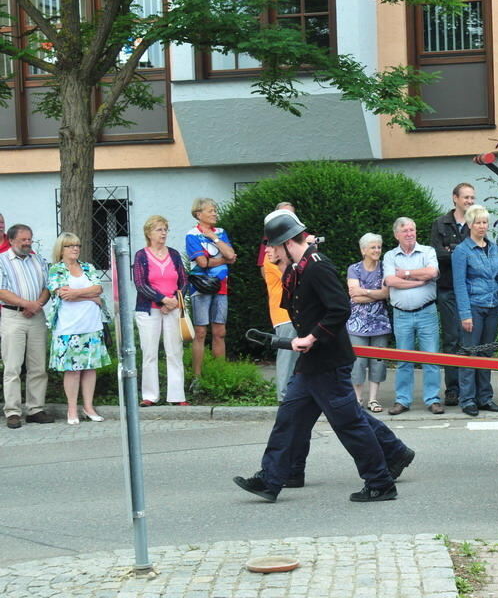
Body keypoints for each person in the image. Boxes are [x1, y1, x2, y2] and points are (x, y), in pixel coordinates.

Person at [234, 211, 414, 503]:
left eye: (273, 246)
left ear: (287, 243)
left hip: (329, 361)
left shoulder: (317, 266)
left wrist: (312, 337)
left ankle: (380, 482)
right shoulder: (297, 268)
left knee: (349, 423)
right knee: (289, 418)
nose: (269, 251)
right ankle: (271, 478)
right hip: (312, 362)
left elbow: (340, 308)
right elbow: (300, 309)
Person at [46, 232, 112, 424]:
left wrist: (78, 293)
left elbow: (98, 289)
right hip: (69, 326)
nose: (75, 249)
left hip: (91, 324)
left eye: (77, 245)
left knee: (90, 367)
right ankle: (72, 409)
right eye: (70, 246)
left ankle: (88, 407)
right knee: (72, 370)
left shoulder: (88, 267)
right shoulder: (56, 269)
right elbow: (63, 295)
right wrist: (90, 296)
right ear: (61, 249)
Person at [383, 217, 444, 415]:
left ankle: (433, 399)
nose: (409, 234)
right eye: (405, 231)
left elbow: (432, 272)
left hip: (427, 313)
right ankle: (402, 400)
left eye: (412, 230)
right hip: (401, 315)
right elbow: (391, 281)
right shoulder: (390, 256)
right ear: (396, 235)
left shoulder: (428, 251)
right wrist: (418, 281)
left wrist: (406, 273)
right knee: (403, 360)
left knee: (431, 358)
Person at [453, 205, 498, 417]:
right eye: (478, 222)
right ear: (469, 224)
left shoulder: (493, 248)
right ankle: (467, 399)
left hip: (493, 307)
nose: (482, 226)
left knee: (486, 353)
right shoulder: (462, 251)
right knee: (469, 352)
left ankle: (484, 397)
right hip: (474, 307)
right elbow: (459, 284)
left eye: (485, 222)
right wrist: (465, 314)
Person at [0, 224, 54, 428]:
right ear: (11, 240)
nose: (27, 243)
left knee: (38, 366)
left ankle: (35, 409)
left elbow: (48, 286)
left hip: (36, 316)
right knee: (12, 367)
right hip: (13, 317)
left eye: (29, 239)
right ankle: (13, 412)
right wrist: (26, 304)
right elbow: (1, 291)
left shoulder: (38, 260)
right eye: (23, 240)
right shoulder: (2, 260)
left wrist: (36, 305)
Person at [133, 216, 188, 406]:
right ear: (149, 233)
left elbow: (184, 280)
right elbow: (140, 284)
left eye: (165, 229)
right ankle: (150, 396)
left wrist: (173, 301)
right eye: (159, 230)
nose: (163, 233)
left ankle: (177, 396)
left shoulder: (173, 254)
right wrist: (162, 299)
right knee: (149, 353)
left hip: (173, 308)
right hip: (149, 310)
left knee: (175, 352)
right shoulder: (141, 255)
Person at [431, 183, 475, 406]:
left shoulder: (475, 222)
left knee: (470, 340)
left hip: (469, 291)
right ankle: (452, 389)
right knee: (451, 340)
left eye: (472, 198)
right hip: (447, 290)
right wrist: (462, 252)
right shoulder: (440, 223)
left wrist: (453, 250)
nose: (470, 201)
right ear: (455, 198)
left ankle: (470, 390)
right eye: (466, 197)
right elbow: (437, 254)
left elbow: (477, 254)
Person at [186, 198, 237, 380]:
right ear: (199, 214)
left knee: (220, 332)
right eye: (211, 211)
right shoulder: (192, 235)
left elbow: (231, 254)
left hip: (221, 287)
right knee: (200, 332)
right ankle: (197, 378)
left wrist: (214, 238)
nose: (215, 213)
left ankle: (219, 375)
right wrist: (224, 259)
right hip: (201, 287)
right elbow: (202, 262)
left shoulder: (221, 232)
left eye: (215, 210)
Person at [346, 233, 392, 412]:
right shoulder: (354, 268)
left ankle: (373, 399)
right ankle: (357, 398)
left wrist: (364, 291)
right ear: (363, 250)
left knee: (378, 362)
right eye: (373, 247)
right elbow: (354, 297)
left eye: (379, 247)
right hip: (357, 324)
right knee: (358, 362)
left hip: (380, 324)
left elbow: (385, 293)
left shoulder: (385, 268)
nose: (377, 250)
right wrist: (375, 293)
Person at [261, 240, 296, 402]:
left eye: (270, 245)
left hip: (294, 315)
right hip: (284, 316)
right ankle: (284, 397)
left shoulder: (288, 258)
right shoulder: (271, 258)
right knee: (287, 357)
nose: (266, 250)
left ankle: (294, 396)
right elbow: (291, 278)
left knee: (297, 358)